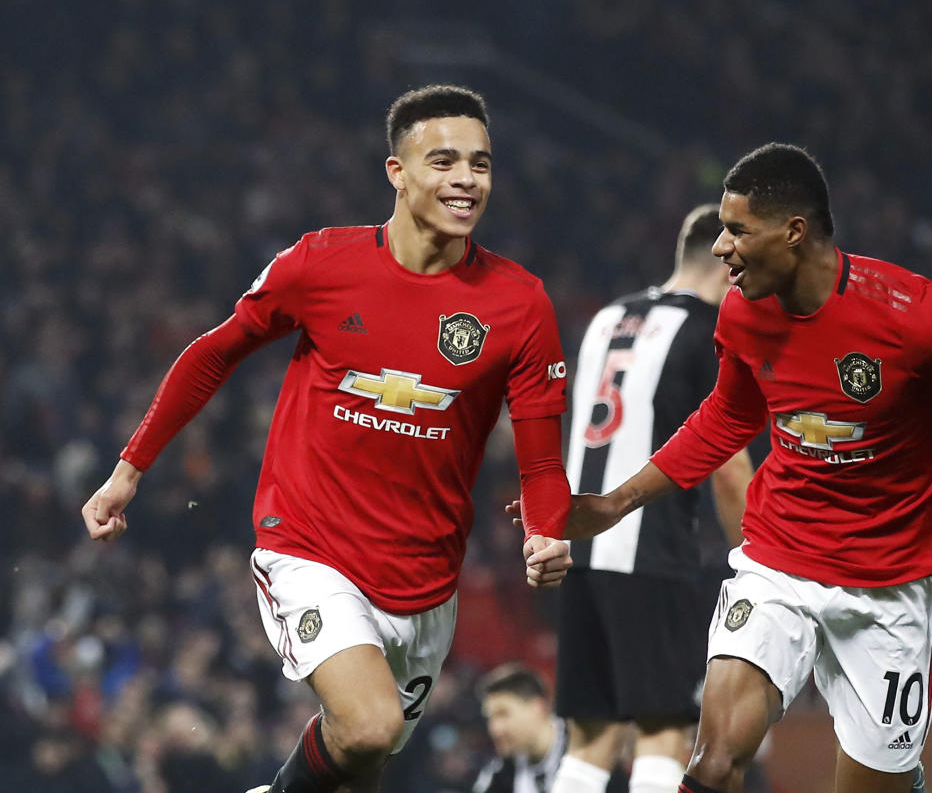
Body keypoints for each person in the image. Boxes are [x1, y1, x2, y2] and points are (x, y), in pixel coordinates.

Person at [511, 143, 932, 793]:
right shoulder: (742, 311)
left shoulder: (914, 315)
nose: (722, 247)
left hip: (893, 584)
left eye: (737, 231)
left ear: (794, 232)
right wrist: (616, 503)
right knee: (715, 759)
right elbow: (726, 418)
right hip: (781, 560)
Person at [80, 85, 575, 793]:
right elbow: (215, 352)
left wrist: (548, 529)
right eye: (443, 161)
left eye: (481, 163)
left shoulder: (519, 302)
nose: (467, 178)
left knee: (362, 762)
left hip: (427, 578)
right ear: (396, 172)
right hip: (311, 546)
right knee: (370, 726)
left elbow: (539, 444)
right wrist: (130, 468)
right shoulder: (322, 265)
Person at [552, 205, 754, 793]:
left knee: (591, 737)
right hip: (651, 551)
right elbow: (727, 461)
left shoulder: (607, 318)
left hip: (580, 550)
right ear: (726, 264)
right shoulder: (708, 330)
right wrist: (756, 561)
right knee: (665, 729)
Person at [474, 663, 625, 793]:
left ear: (537, 707)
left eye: (503, 714)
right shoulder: (501, 774)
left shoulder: (587, 752)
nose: (495, 729)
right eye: (490, 718)